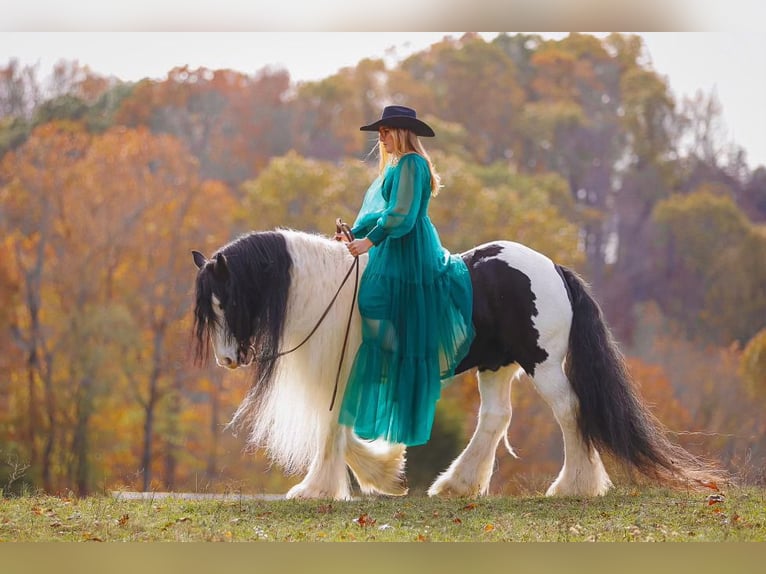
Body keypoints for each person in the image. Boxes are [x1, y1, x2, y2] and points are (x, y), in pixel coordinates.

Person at [336, 105, 475, 446]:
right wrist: (353, 232)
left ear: (398, 132)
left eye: (384, 131)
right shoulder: (398, 166)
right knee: (370, 302)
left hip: (409, 250)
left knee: (375, 302)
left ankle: (394, 371)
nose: (379, 137)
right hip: (392, 248)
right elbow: (382, 211)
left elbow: (401, 215)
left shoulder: (413, 163)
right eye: (379, 132)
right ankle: (388, 367)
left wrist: (369, 241)